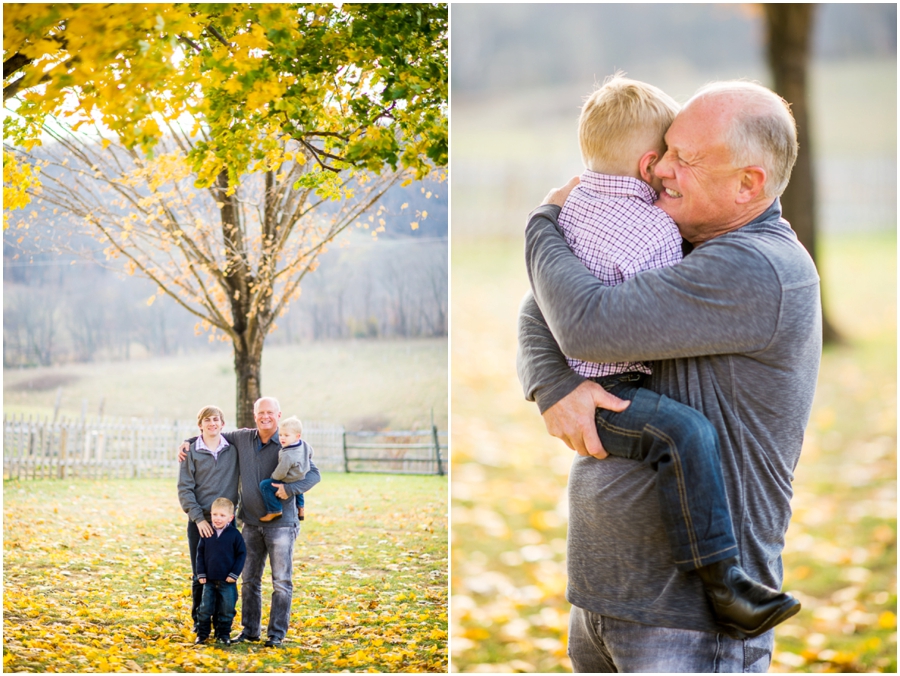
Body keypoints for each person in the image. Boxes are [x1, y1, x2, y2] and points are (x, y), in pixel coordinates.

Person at [517, 80, 822, 672]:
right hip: (607, 597)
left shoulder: (756, 268)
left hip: (689, 622)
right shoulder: (671, 243)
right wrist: (554, 387)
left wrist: (541, 223)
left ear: (748, 183)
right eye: (665, 150)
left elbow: (583, 323)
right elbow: (542, 304)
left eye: (686, 159)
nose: (661, 171)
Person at [179, 396, 321, 648]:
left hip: (282, 523)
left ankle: (276, 634)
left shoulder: (292, 441)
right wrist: (188, 442)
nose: (265, 417)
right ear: (254, 416)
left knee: (281, 582)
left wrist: (290, 490)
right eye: (260, 413)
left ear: (278, 415)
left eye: (270, 412)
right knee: (249, 581)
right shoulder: (243, 439)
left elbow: (314, 474)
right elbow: (213, 433)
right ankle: (250, 631)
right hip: (250, 523)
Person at [177, 405, 239, 635]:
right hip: (200, 522)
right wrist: (198, 519)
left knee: (226, 576)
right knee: (200, 574)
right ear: (200, 424)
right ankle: (200, 623)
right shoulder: (190, 452)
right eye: (207, 420)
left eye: (216, 419)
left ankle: (223, 625)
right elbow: (185, 489)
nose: (212, 423)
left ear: (222, 423)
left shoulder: (233, 450)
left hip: (227, 524)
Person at [195, 497, 246, 645]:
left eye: (222, 515)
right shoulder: (207, 533)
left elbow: (241, 555)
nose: (217, 518)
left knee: (227, 610)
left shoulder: (235, 535)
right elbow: (200, 554)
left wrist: (234, 574)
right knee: (205, 609)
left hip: (227, 580)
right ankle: (202, 634)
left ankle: (223, 634)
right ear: (210, 514)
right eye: (215, 514)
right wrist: (201, 573)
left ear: (230, 518)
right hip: (209, 580)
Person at [259, 416, 313, 522]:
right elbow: (311, 452)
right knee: (298, 490)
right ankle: (301, 508)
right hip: (301, 474)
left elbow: (281, 472)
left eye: (286, 435)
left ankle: (275, 510)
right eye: (280, 435)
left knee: (264, 485)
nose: (282, 438)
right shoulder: (304, 444)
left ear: (297, 436)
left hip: (289, 478)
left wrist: (273, 478)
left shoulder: (287, 454)